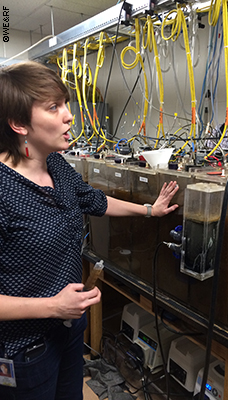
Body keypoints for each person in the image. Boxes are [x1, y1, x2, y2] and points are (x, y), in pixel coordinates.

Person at [0, 61, 179, 400]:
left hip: (69, 329)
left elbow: (93, 200)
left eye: (65, 104)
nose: (69, 116)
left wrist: (149, 210)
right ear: (18, 123)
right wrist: (53, 306)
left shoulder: (55, 164)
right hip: (26, 349)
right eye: (54, 107)